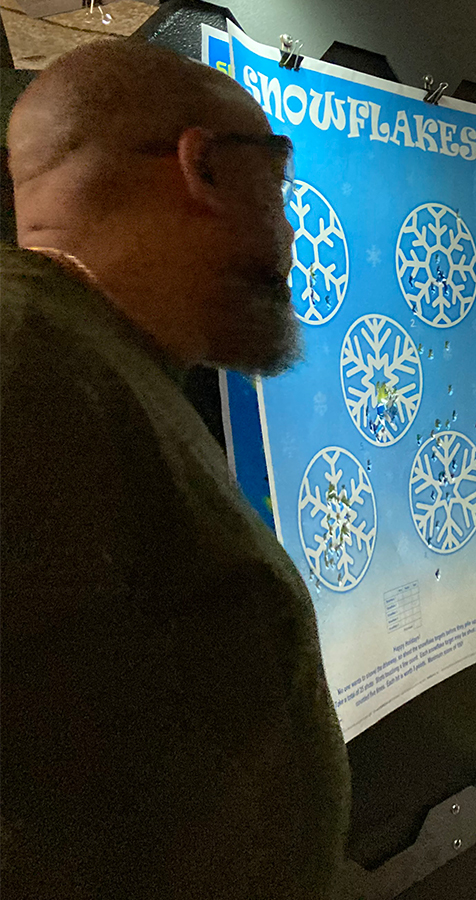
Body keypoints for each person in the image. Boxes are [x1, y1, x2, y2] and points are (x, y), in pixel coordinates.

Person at [1, 41, 349, 898]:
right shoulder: (25, 368)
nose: (291, 230)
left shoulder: (92, 362)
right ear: (204, 168)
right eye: (280, 191)